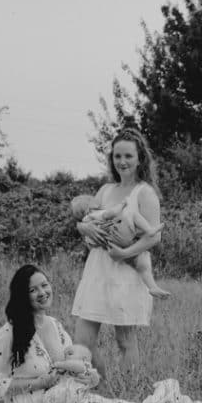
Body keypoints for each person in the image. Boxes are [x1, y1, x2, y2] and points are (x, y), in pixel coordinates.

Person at [0, 265, 138, 403]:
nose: (42, 293)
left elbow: (75, 362)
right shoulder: (8, 334)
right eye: (33, 290)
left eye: (44, 285)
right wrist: (37, 383)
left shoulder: (55, 325)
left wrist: (89, 377)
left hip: (66, 400)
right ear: (22, 296)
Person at [72, 128, 164, 382]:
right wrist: (84, 228)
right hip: (97, 269)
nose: (122, 162)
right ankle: (101, 385)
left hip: (127, 269)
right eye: (117, 156)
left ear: (140, 159)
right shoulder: (105, 190)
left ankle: (129, 393)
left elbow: (153, 236)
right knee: (83, 341)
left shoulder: (145, 193)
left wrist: (125, 252)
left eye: (128, 156)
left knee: (125, 340)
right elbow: (88, 219)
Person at [70, 193, 169, 298]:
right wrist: (122, 204)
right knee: (132, 214)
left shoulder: (86, 227)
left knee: (140, 260)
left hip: (113, 248)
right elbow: (110, 214)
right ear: (89, 207)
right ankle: (149, 230)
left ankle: (152, 287)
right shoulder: (93, 214)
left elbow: (91, 245)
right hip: (119, 236)